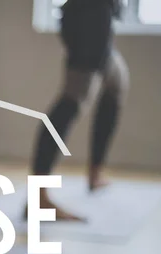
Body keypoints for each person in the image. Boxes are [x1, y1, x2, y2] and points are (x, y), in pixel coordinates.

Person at [30, 0, 130, 220]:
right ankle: (38, 198)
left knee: (117, 81)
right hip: (88, 19)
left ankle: (96, 173)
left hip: (97, 16)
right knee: (71, 102)